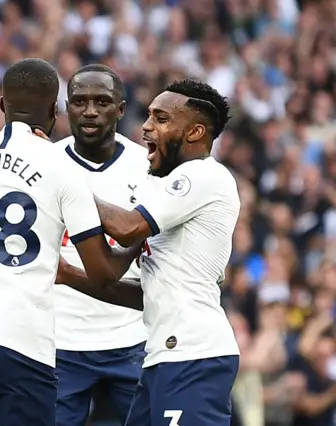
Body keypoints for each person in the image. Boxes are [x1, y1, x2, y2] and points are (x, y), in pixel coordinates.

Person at [0, 58, 142, 426]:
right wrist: (136, 238)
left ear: (2, 105)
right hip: (18, 333)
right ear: (56, 110)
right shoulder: (62, 167)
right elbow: (102, 274)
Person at [56, 79, 240, 426]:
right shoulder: (164, 193)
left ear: (195, 132)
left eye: (161, 118)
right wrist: (67, 274)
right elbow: (130, 286)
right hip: (160, 358)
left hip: (193, 356)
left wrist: (61, 182)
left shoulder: (203, 176)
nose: (146, 126)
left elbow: (126, 227)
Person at [54, 64, 149, 426]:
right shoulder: (44, 166)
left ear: (121, 109)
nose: (90, 111)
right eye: (79, 101)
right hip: (59, 339)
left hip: (133, 336)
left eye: (102, 101)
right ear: (66, 107)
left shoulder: (149, 167)